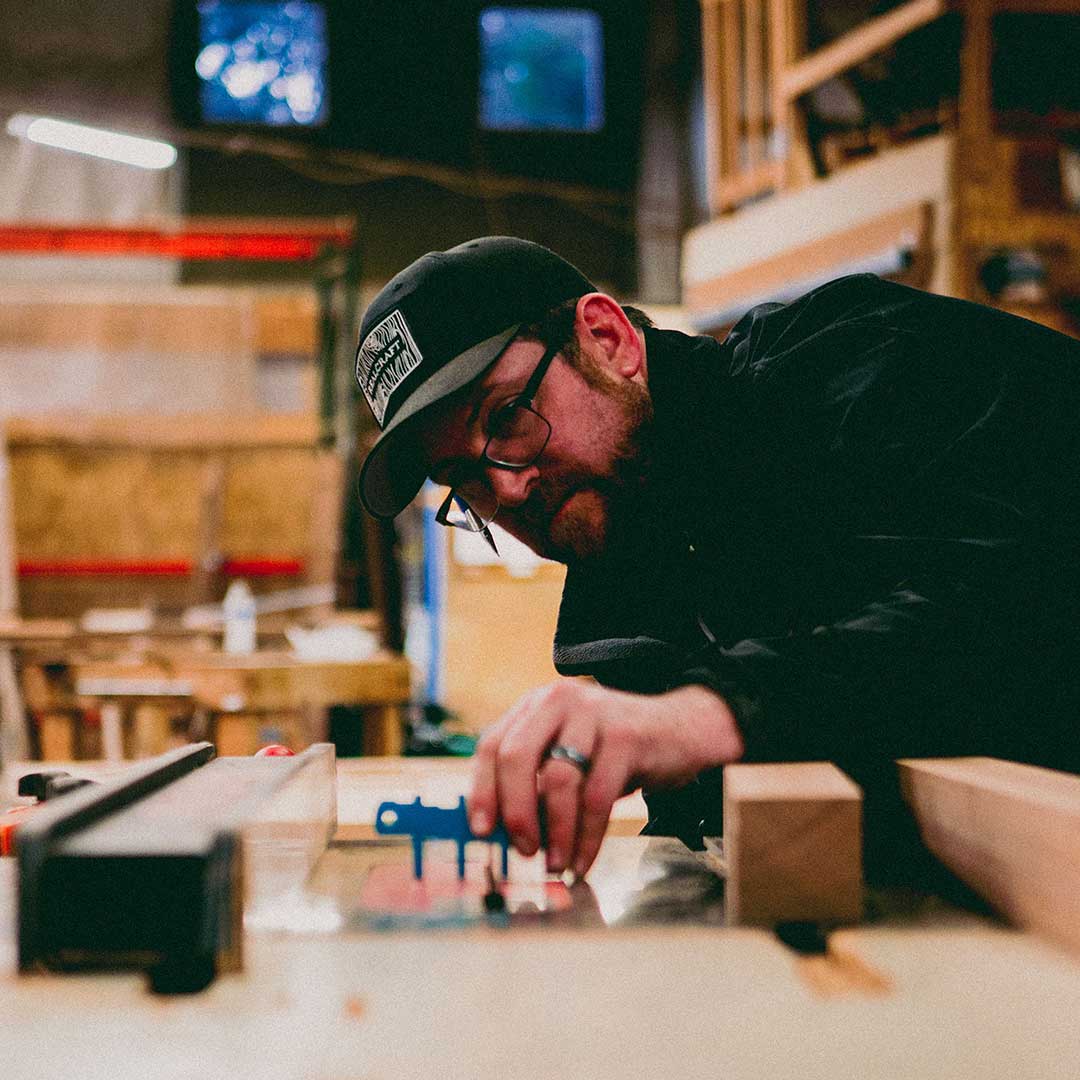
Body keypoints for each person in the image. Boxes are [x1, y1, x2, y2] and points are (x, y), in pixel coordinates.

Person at [355, 235, 1080, 882]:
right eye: (463, 480)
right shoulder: (625, 572)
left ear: (609, 339)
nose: (506, 486)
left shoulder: (865, 367)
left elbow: (1011, 602)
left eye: (506, 418)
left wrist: (705, 716)